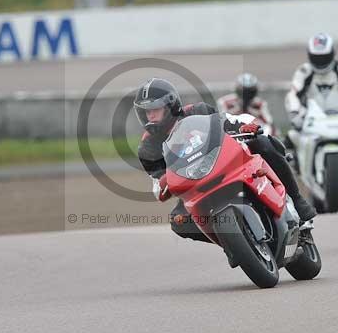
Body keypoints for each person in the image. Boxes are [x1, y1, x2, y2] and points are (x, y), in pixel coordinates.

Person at [134, 78, 316, 244]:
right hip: (195, 185)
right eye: (146, 111)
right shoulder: (147, 147)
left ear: (170, 105)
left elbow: (226, 120)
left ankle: (297, 199)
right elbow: (158, 184)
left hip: (225, 161)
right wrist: (162, 183)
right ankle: (232, 243)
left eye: (155, 109)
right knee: (178, 222)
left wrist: (244, 126)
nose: (150, 116)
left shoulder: (198, 111)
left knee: (263, 142)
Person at [284, 33, 338, 148]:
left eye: (324, 57)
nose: (321, 61)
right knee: (289, 140)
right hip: (311, 119)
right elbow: (292, 94)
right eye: (317, 57)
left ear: (332, 53)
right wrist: (295, 114)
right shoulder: (304, 71)